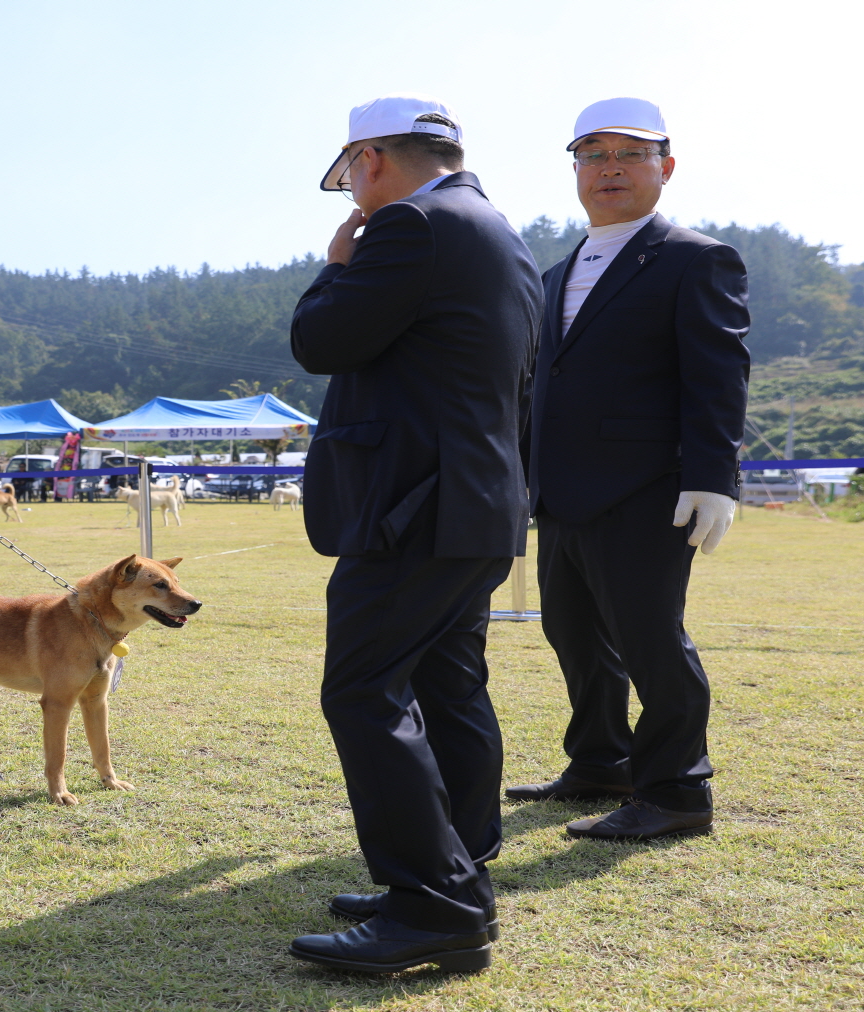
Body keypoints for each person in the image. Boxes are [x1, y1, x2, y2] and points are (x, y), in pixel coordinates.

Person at [285, 94, 540, 974]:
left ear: (373, 160)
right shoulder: (501, 234)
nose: (350, 191)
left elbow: (321, 340)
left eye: (349, 172)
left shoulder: (408, 227)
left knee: (362, 692)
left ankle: (437, 902)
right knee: (449, 686)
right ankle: (454, 866)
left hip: (413, 509)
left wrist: (333, 266)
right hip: (475, 505)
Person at [509, 98, 749, 840]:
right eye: (593, 154)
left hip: (649, 490)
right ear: (575, 169)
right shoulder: (553, 274)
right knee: (573, 633)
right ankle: (600, 762)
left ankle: (677, 791)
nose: (609, 168)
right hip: (562, 492)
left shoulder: (694, 258)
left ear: (665, 168)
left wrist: (714, 478)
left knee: (651, 639)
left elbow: (717, 374)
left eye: (630, 154)